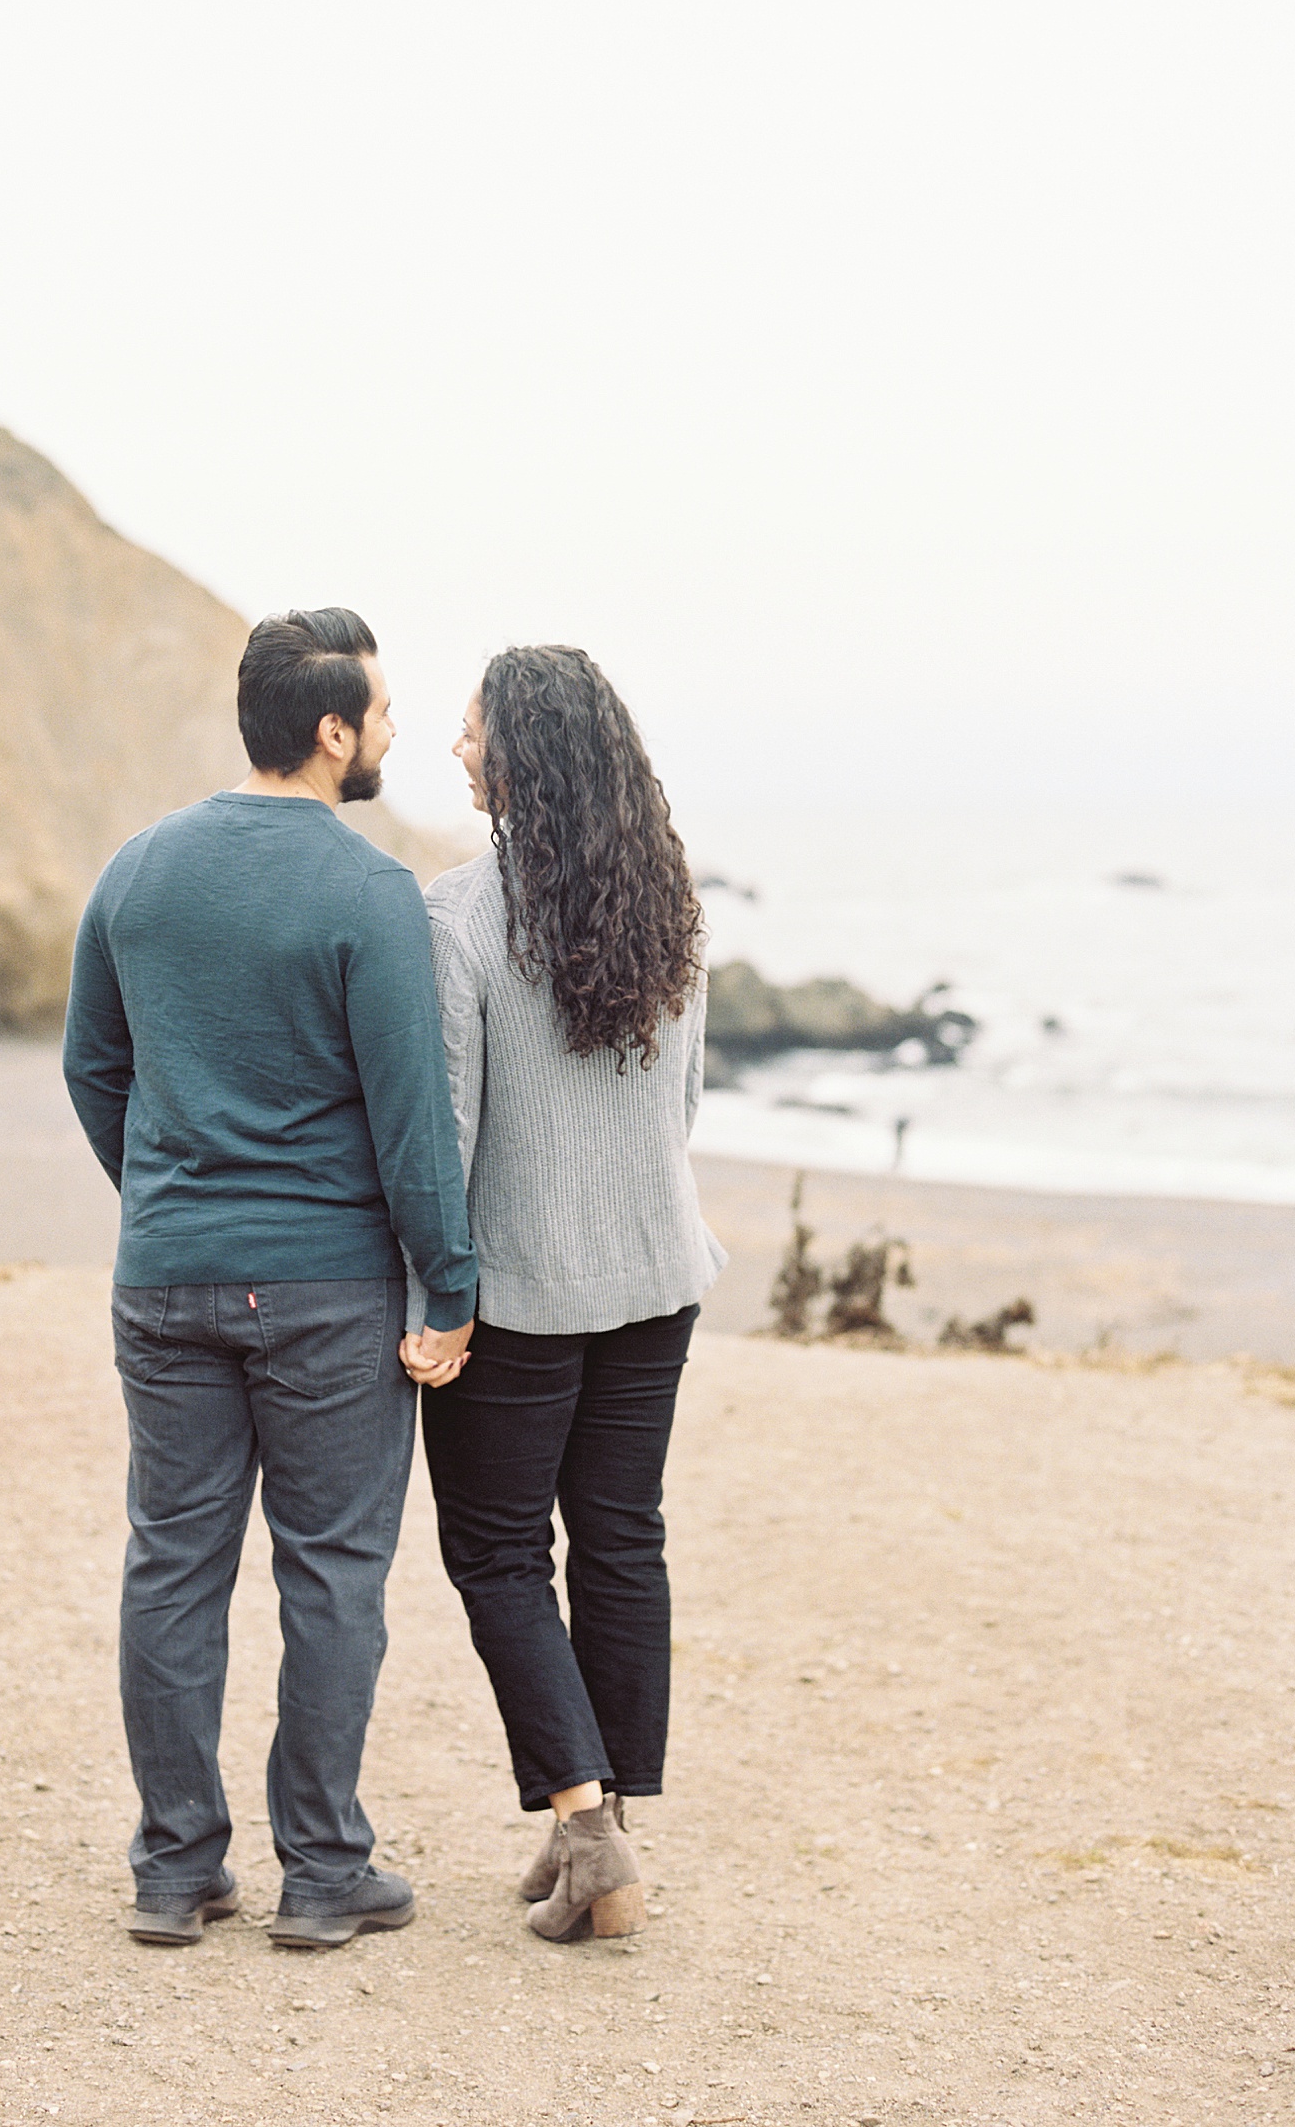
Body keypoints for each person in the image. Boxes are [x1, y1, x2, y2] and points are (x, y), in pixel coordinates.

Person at [63, 607, 476, 1951]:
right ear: (330, 730)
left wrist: (173, 1200)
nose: (396, 730)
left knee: (172, 1566)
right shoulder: (368, 890)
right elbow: (414, 1121)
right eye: (381, 711)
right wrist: (450, 1286)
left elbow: (92, 1067)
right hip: (328, 1290)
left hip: (169, 1275)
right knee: (334, 1574)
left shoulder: (139, 867)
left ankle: (175, 1868)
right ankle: (321, 1872)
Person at [402, 645, 726, 1941]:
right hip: (655, 1272)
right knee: (620, 1538)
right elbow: (685, 1108)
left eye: (474, 729)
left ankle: (590, 1833)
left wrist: (445, 1293)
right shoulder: (671, 902)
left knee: (493, 1552)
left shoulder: (462, 916)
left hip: (525, 1293)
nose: (458, 748)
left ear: (523, 755)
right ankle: (603, 1828)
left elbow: (453, 1137)